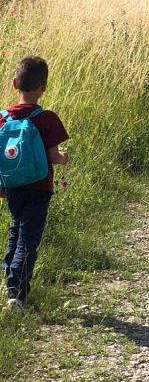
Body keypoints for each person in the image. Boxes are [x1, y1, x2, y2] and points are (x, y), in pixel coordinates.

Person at [1, 56, 69, 312]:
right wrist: (65, 158)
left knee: (16, 228)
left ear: (14, 83)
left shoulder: (2, 118)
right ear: (44, 86)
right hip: (39, 188)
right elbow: (54, 157)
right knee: (28, 238)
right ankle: (16, 294)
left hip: (12, 186)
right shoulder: (46, 118)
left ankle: (9, 277)